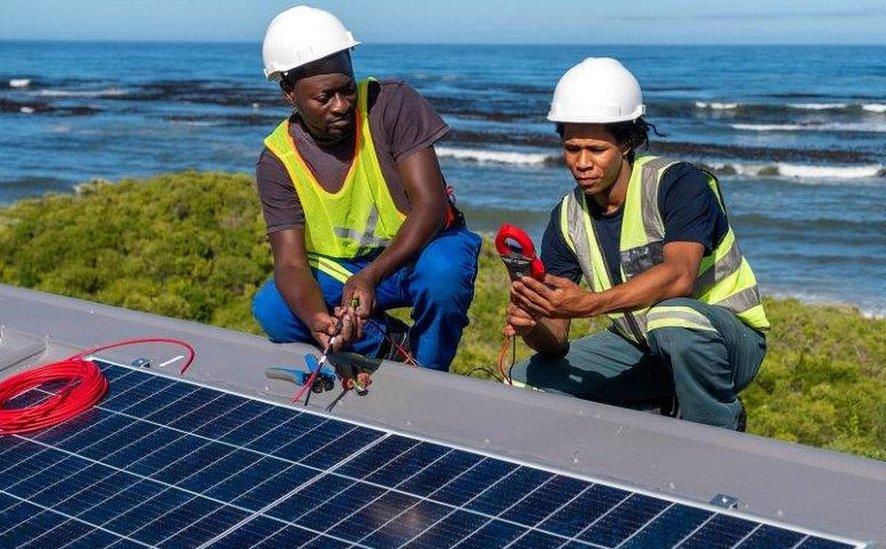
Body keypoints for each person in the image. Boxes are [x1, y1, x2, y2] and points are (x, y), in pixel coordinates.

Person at [506, 58, 769, 430]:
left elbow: (680, 276)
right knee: (523, 382)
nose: (581, 162)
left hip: (727, 344)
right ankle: (646, 416)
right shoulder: (566, 217)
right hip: (642, 344)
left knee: (671, 316)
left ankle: (718, 435)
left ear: (627, 142)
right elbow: (556, 341)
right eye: (571, 148)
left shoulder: (679, 184)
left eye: (596, 150)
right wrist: (533, 322)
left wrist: (590, 304)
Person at [251, 6, 481, 371]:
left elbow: (431, 205)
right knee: (273, 309)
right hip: (348, 271)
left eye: (345, 89)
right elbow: (291, 262)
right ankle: (392, 348)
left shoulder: (390, 103)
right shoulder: (277, 160)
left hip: (420, 250)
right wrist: (317, 320)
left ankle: (431, 372)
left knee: (444, 274)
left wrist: (371, 276)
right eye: (324, 98)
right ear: (289, 93)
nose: (341, 105)